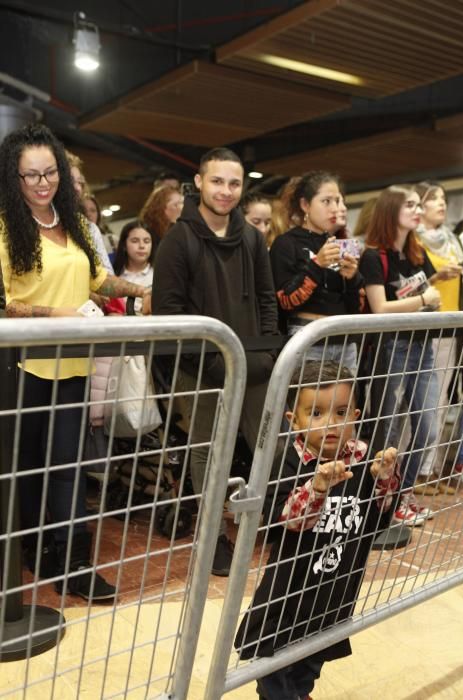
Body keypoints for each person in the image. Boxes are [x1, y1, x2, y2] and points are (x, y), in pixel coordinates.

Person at [0, 123, 152, 601]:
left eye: (50, 173)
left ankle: (69, 559)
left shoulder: (73, 226)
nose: (43, 183)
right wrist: (55, 314)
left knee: (67, 465)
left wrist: (142, 291)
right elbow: (3, 302)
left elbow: (98, 281)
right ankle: (30, 552)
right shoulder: (5, 227)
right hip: (21, 366)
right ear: (13, 178)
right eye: (31, 176)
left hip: (73, 363)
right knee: (23, 468)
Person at [235, 361, 399, 700]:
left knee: (315, 655)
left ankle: (300, 690)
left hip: (338, 583)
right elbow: (289, 518)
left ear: (355, 415)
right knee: (272, 658)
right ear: (293, 420)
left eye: (340, 413)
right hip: (291, 588)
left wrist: (384, 479)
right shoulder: (288, 463)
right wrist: (319, 486)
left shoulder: (364, 459)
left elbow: (379, 517)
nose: (331, 424)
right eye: (316, 413)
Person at [152, 147, 278, 576]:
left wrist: (265, 354)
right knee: (211, 454)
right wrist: (212, 366)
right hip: (201, 370)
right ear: (200, 183)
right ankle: (213, 538)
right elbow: (169, 316)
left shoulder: (252, 238)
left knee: (267, 443)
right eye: (218, 181)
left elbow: (266, 300)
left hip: (254, 366)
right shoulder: (177, 241)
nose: (226, 191)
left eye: (235, 183)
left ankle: (278, 520)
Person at [359, 184, 442, 525]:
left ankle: (402, 493)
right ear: (391, 209)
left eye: (417, 204)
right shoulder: (373, 255)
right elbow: (380, 308)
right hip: (391, 347)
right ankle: (383, 503)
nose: (417, 209)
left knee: (427, 427)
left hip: (422, 345)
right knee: (388, 430)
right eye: (409, 204)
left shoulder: (416, 252)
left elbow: (431, 287)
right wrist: (424, 300)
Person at [269, 171, 363, 374]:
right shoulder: (286, 243)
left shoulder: (341, 244)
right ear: (305, 205)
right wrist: (317, 264)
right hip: (308, 339)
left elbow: (357, 306)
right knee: (307, 404)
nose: (335, 208)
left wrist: (353, 278)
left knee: (345, 403)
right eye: (326, 201)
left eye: (338, 201)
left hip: (345, 339)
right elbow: (285, 300)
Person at [414, 181, 463, 495]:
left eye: (444, 199)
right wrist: (437, 277)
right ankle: (412, 471)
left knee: (442, 398)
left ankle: (430, 470)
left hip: (452, 324)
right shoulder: (415, 240)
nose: (441, 204)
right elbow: (409, 283)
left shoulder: (452, 240)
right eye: (434, 199)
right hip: (425, 323)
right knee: (418, 402)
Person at [139, 185, 183, 256]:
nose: (182, 208)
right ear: (161, 208)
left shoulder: (181, 229)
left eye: (183, 203)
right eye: (176, 204)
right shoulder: (148, 233)